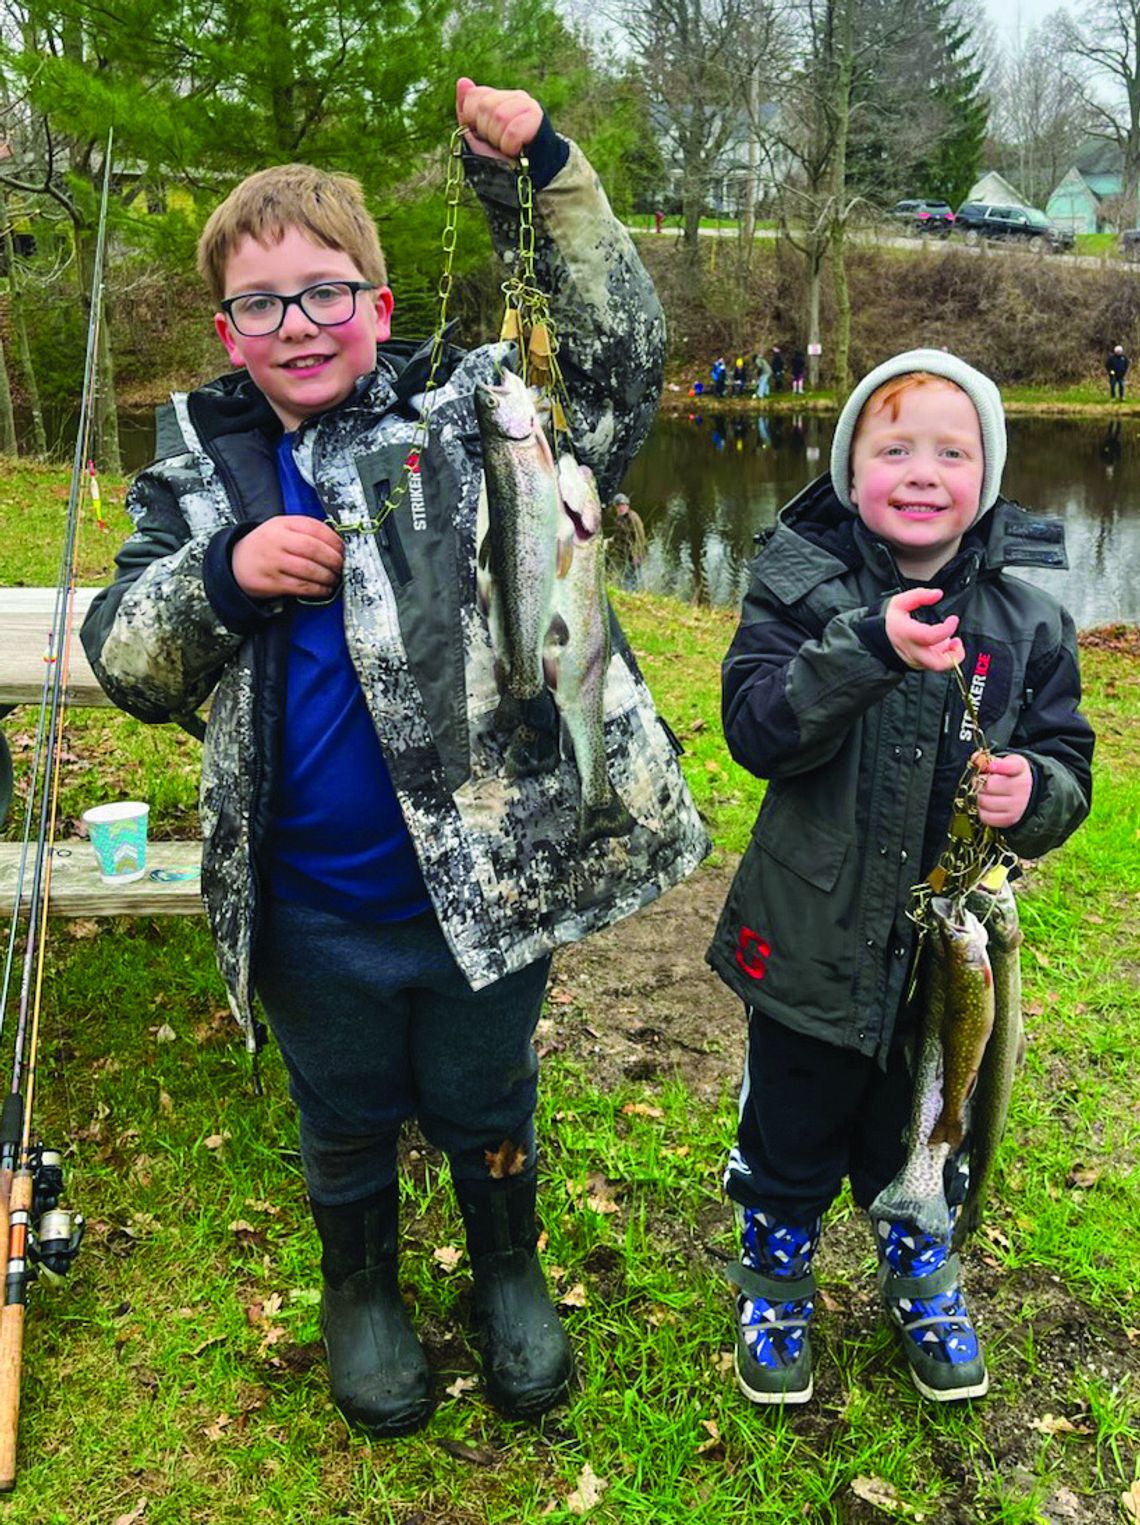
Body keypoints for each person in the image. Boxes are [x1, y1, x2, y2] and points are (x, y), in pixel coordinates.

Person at [82, 79, 708, 1437]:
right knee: (345, 1105)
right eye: (262, 304)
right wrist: (224, 577)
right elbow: (125, 658)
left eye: (326, 292)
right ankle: (360, 1285)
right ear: (226, 331)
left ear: (376, 303)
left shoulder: (465, 420)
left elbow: (618, 367)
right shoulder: (194, 476)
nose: (297, 324)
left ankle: (507, 1265)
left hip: (486, 888)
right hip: (307, 905)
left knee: (488, 1089)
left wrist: (543, 172)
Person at [707, 349, 1093, 1408]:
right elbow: (757, 729)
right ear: (848, 470)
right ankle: (775, 1279)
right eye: (894, 449)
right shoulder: (799, 589)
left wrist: (1037, 790)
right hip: (808, 935)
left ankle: (921, 1262)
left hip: (940, 958)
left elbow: (1068, 760)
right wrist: (866, 648)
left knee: (926, 1124)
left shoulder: (1031, 623)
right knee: (788, 1131)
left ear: (989, 476)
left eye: (953, 452)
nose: (923, 471)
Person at [609, 491, 647, 571]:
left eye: (623, 505)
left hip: (633, 556)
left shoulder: (632, 518)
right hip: (623, 554)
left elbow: (639, 538)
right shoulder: (620, 518)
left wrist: (636, 555)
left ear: (627, 505)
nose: (621, 508)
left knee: (632, 576)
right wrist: (610, 541)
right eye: (618, 506)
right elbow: (619, 535)